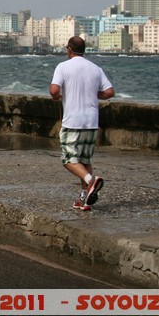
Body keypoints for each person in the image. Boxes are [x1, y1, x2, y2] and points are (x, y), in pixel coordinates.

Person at [49, 36, 115, 211]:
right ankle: (84, 199)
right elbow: (109, 92)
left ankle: (91, 181)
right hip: (91, 121)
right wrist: (94, 94)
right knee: (84, 160)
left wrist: (57, 97)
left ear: (69, 49)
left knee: (68, 160)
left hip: (73, 121)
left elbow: (54, 90)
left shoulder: (63, 66)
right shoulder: (95, 68)